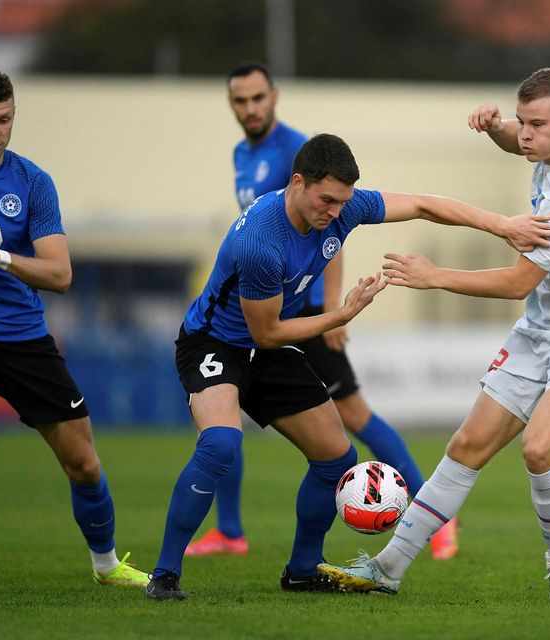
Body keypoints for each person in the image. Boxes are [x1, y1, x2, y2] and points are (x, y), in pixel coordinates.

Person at [145, 132, 550, 600]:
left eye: (343, 202)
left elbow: (424, 204)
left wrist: (503, 225)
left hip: (268, 349)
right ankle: (165, 576)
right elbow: (267, 332)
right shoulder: (261, 241)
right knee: (220, 442)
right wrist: (340, 315)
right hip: (214, 344)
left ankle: (302, 570)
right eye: (326, 200)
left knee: (335, 458)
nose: (335, 213)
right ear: (297, 183)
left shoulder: (343, 207)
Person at [318, 67, 550, 601]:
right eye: (523, 121)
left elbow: (515, 283)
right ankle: (387, 569)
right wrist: (496, 129)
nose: (525, 133)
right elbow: (519, 140)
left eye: (537, 124)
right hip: (541, 329)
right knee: (467, 446)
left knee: (538, 449)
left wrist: (432, 275)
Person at [185, 62, 458, 561]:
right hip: (263, 311)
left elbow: (332, 231)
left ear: (275, 97)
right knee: (220, 426)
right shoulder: (241, 155)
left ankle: (435, 517)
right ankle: (228, 529)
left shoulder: (299, 152)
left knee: (353, 415)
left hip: (308, 313)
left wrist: (334, 308)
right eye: (239, 101)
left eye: (257, 99)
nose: (249, 109)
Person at [0, 69, 149, 588]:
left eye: (4, 120)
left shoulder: (32, 183)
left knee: (84, 464)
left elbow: (60, 274)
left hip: (21, 336)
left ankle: (106, 566)